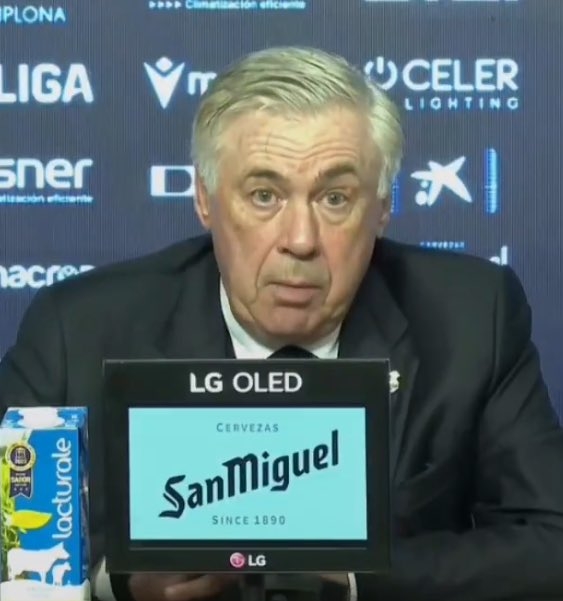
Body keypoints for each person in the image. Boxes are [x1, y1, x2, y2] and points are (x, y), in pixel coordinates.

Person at [1, 45, 563, 601]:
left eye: (335, 198)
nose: (300, 240)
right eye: (264, 195)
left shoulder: (471, 318)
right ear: (204, 199)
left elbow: (549, 545)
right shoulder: (78, 330)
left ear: (383, 208)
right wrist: (115, 583)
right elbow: (12, 548)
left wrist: (357, 573)